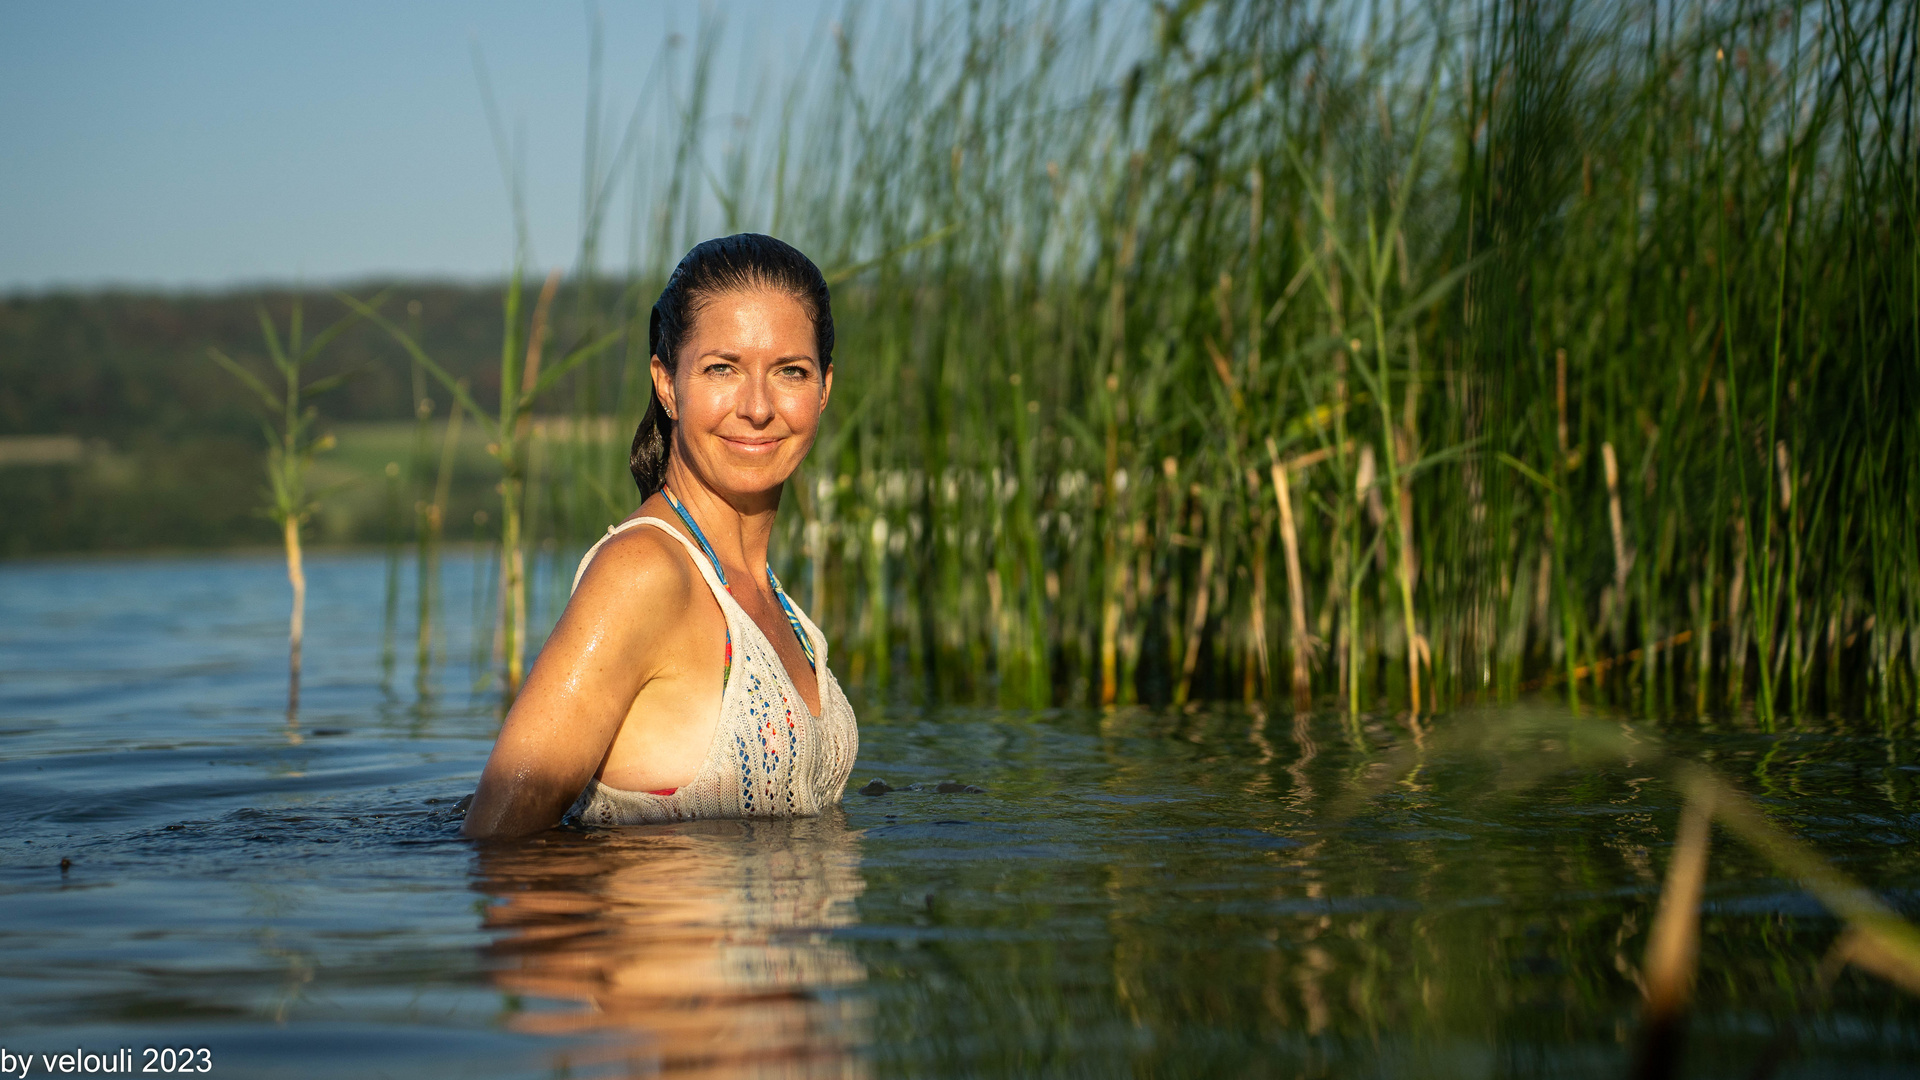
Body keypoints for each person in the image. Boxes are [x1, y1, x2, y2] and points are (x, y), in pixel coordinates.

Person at [461, 234, 858, 840]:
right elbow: (496, 842)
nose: (757, 407)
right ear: (668, 384)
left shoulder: (767, 594)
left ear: (824, 389)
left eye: (790, 372)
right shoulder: (644, 573)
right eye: (722, 369)